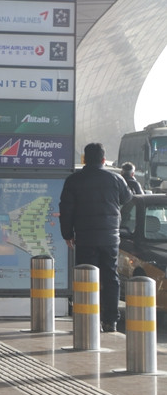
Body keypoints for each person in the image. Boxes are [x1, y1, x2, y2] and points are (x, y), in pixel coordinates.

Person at [60, 142, 133, 333]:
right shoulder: (115, 179)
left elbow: (66, 209)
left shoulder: (74, 180)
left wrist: (67, 234)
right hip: (110, 238)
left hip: (85, 238)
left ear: (85, 159)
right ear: (103, 159)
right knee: (110, 277)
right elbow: (127, 198)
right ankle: (110, 321)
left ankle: (87, 319)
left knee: (86, 277)